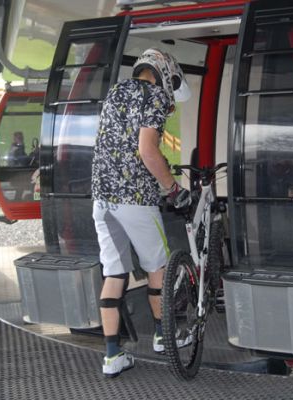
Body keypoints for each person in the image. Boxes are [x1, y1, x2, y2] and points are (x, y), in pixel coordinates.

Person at [91, 48, 191, 378]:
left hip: (102, 199)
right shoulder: (156, 98)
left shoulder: (116, 92)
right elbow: (148, 151)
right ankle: (164, 335)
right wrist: (173, 189)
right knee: (157, 266)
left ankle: (112, 355)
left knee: (114, 272)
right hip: (135, 196)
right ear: (163, 71)